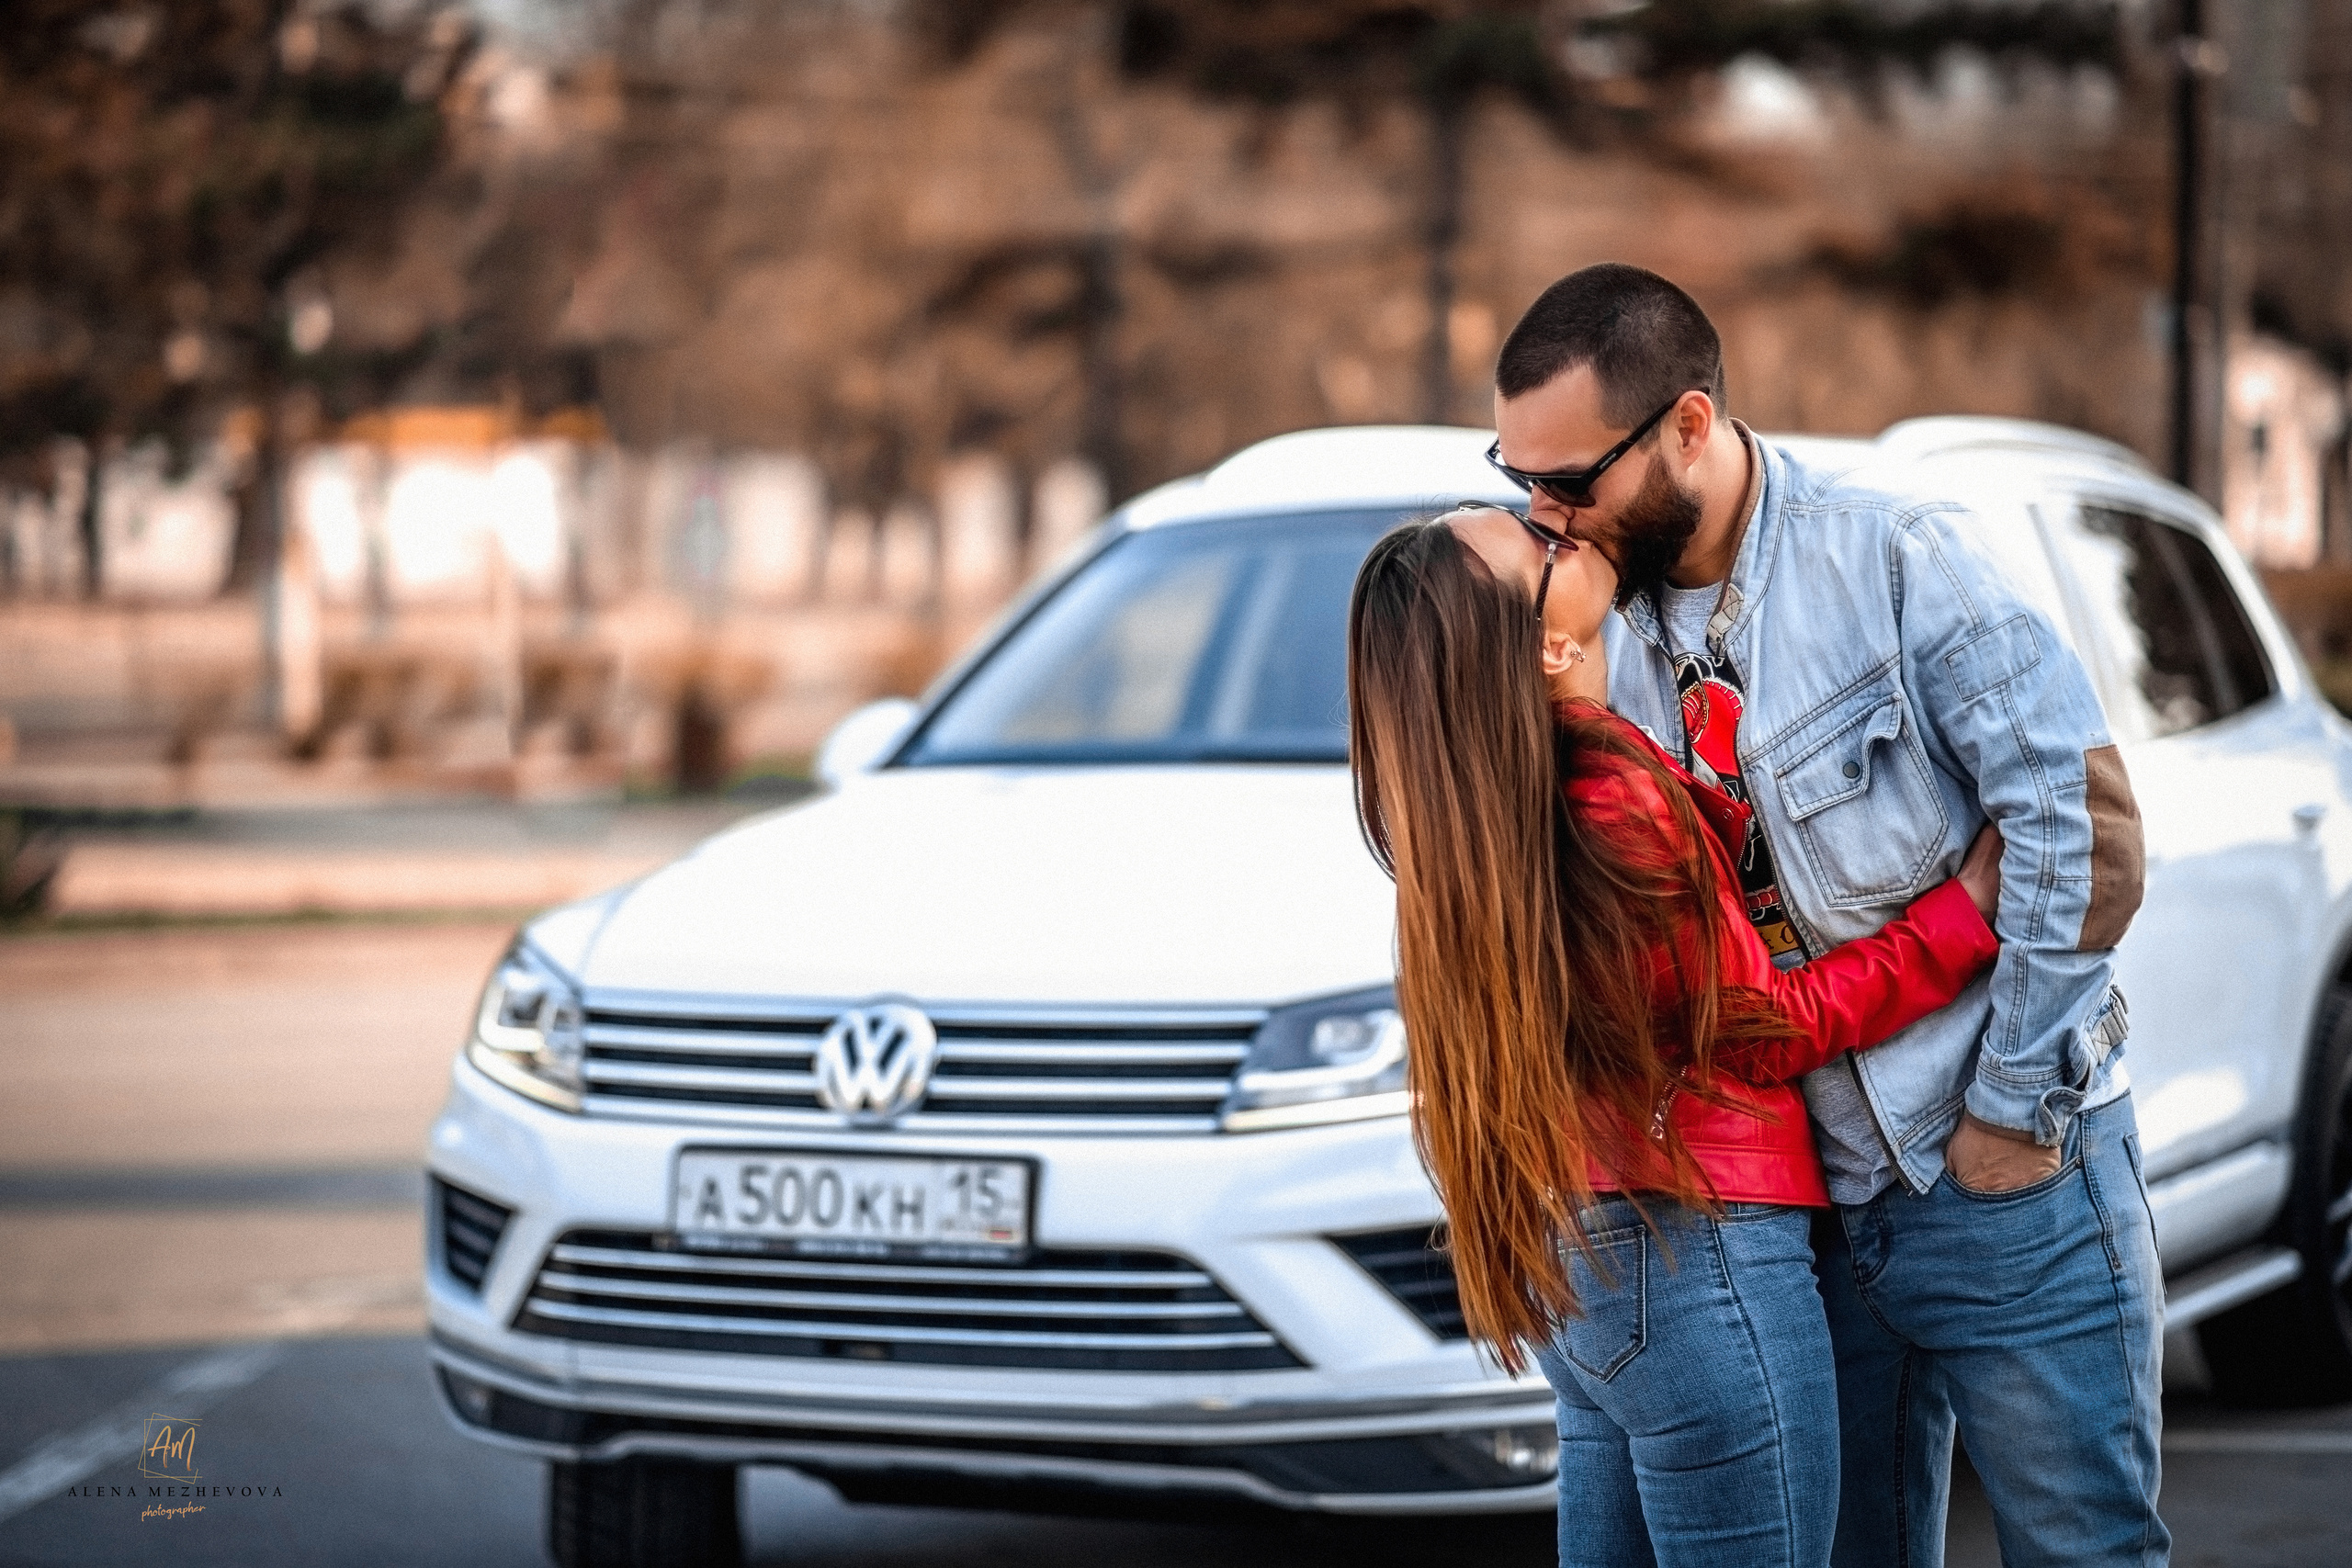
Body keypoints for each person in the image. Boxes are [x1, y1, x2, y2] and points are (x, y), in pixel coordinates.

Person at [1485, 262, 2164, 1567]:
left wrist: (2008, 1115)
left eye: (1572, 479)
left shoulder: (1895, 558)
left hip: (1999, 1175)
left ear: (1688, 424)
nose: (1546, 514)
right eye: (1521, 478)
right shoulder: (1576, 628)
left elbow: (2090, 832)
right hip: (1796, 1227)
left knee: (2085, 1547)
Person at [1345, 505, 2002, 1565]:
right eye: (1537, 547)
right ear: (1550, 645)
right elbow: (1757, 1028)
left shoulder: (1488, 830)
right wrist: (1956, 921)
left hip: (1593, 1274)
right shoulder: (1609, 806)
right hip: (1699, 1259)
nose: (1554, 525)